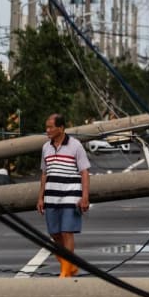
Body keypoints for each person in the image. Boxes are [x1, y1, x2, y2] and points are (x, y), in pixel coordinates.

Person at [36, 113, 90, 277]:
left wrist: (85, 196)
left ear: (61, 128)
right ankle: (70, 265)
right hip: (51, 196)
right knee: (55, 233)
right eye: (47, 127)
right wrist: (40, 197)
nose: (48, 130)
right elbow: (44, 174)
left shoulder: (75, 146)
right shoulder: (46, 147)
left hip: (70, 195)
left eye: (51, 127)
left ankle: (65, 270)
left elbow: (84, 172)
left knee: (67, 231)